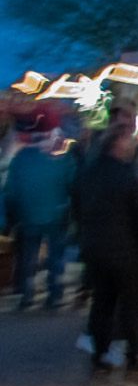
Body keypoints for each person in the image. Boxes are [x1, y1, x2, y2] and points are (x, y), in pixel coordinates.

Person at [72, 123, 138, 377]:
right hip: (126, 252)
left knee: (102, 303)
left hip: (95, 250)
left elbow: (77, 210)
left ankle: (99, 356)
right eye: (129, 141)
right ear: (118, 144)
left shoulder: (86, 174)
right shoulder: (127, 176)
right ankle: (136, 356)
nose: (132, 145)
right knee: (131, 306)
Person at [6, 113, 75, 311]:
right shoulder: (62, 158)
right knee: (55, 256)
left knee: (29, 256)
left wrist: (12, 214)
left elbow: (12, 190)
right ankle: (54, 293)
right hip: (56, 215)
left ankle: (27, 293)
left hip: (28, 216)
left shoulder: (21, 158)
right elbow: (71, 184)